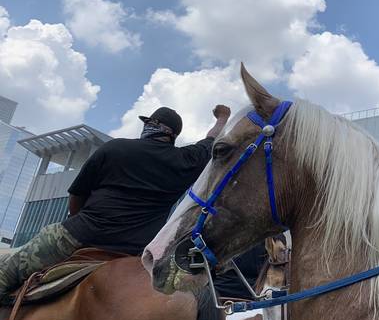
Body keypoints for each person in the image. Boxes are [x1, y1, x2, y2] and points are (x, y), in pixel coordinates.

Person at [0, 105, 230, 297]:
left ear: (154, 127)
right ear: (172, 135)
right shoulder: (187, 160)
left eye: (150, 123)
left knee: (5, 272)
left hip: (80, 234)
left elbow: (77, 194)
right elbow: (211, 139)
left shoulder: (115, 147)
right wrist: (223, 117)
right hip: (134, 252)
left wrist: (77, 221)